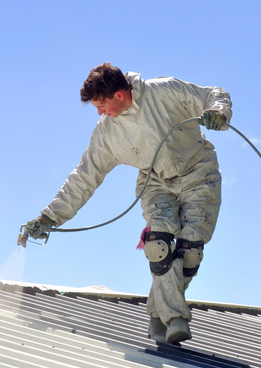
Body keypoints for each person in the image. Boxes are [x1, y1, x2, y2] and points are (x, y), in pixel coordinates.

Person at [25, 62, 232, 344]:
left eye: (101, 105)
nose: (99, 112)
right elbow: (85, 176)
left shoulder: (164, 91)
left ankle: (157, 314)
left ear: (119, 95)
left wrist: (218, 111)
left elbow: (213, 93)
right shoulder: (107, 133)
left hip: (200, 173)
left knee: (191, 250)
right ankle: (176, 318)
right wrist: (50, 217)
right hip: (155, 181)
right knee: (158, 245)